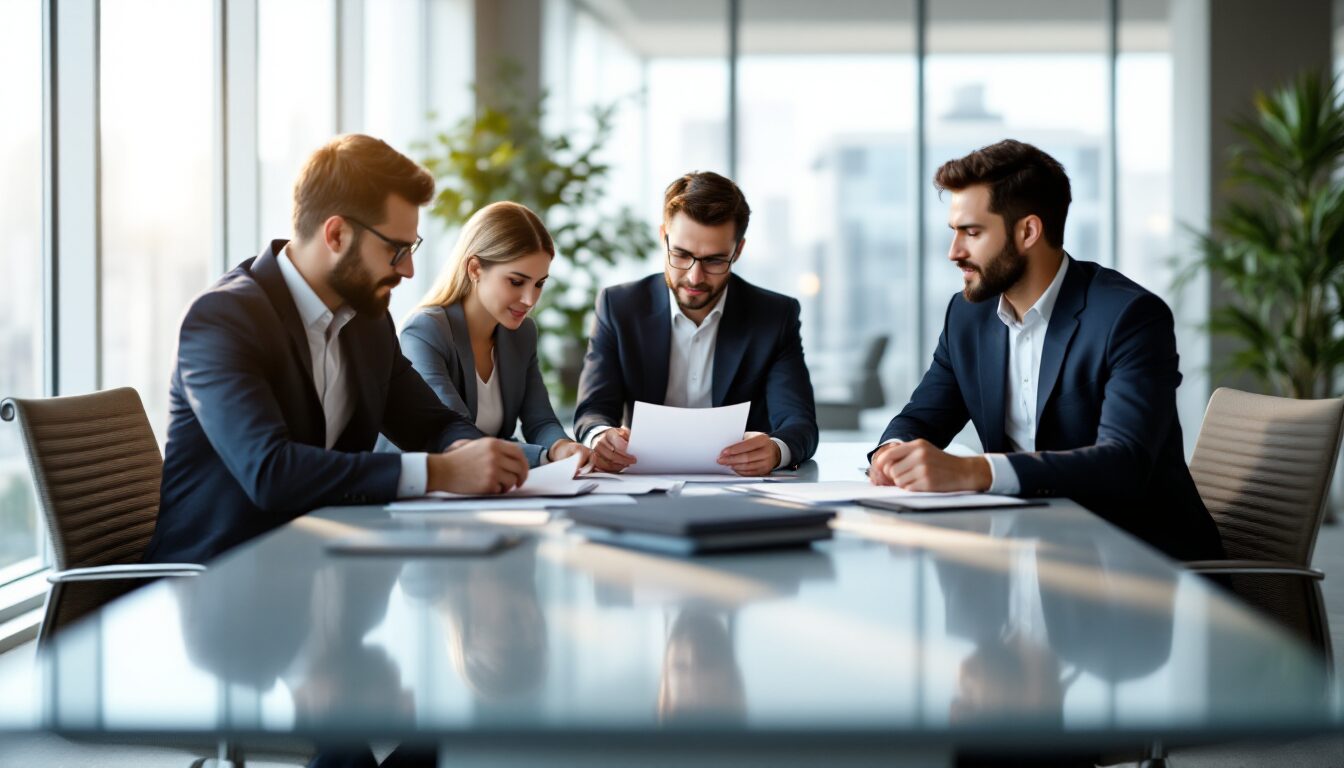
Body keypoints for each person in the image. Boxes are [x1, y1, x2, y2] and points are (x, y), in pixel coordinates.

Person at [145, 134, 529, 565]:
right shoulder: (222, 320)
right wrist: (441, 472)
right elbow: (270, 472)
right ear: (337, 233)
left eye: (411, 249)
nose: (408, 269)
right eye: (396, 250)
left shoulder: (367, 320)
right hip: (217, 584)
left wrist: (467, 452)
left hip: (326, 568)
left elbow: (432, 423)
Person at [867, 139, 1223, 561]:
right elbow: (922, 416)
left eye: (972, 232)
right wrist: (891, 452)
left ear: (1028, 232)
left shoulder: (1129, 316)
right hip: (1021, 549)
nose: (954, 252)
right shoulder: (968, 317)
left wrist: (974, 471)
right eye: (954, 232)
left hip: (1131, 562)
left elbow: (1123, 463)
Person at [574, 171, 819, 476]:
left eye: (715, 260)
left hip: (742, 489)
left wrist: (776, 449)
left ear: (738, 250)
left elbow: (800, 424)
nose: (694, 277)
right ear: (663, 236)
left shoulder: (774, 316)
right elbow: (592, 410)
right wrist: (600, 437)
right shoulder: (619, 307)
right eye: (680, 254)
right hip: (641, 481)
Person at [392, 201, 589, 468]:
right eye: (516, 282)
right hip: (419, 489)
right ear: (474, 269)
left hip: (489, 484)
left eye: (539, 283)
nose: (530, 299)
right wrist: (544, 456)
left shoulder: (522, 334)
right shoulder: (426, 330)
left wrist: (563, 447)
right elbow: (455, 434)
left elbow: (540, 420)